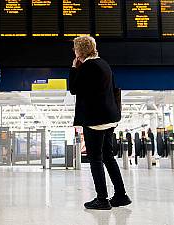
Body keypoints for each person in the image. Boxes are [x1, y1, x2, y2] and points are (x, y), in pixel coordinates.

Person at [69, 36, 131, 210]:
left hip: (95, 120)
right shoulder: (103, 64)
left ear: (80, 50)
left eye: (75, 49)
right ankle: (121, 195)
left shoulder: (88, 66)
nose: (74, 51)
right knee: (108, 156)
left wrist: (74, 68)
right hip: (109, 119)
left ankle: (102, 199)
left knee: (95, 158)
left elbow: (74, 88)